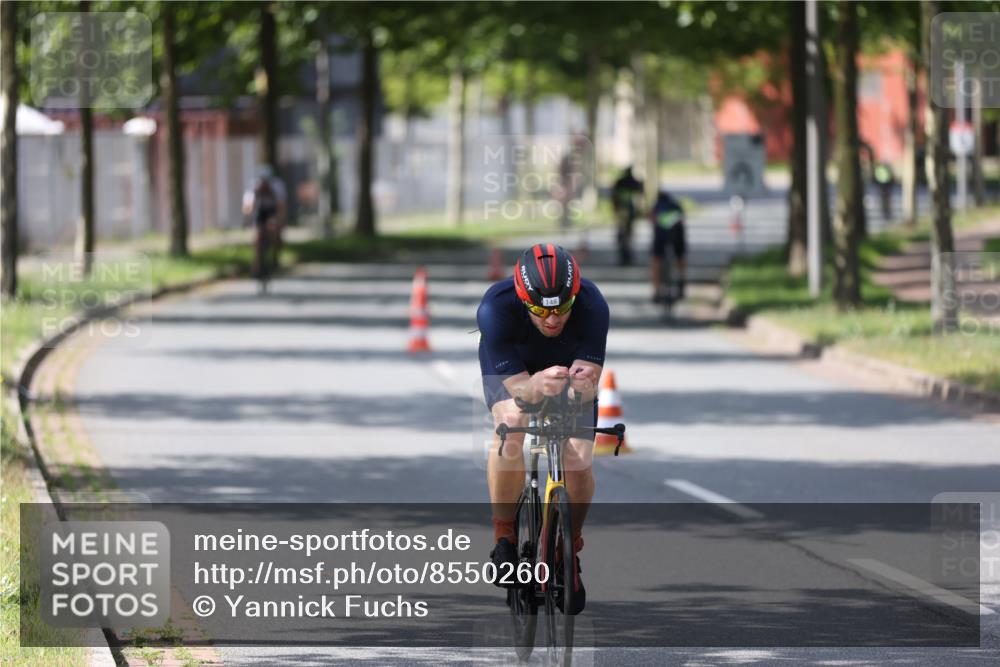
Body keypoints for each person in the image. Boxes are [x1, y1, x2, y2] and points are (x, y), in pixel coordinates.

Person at [477, 244, 609, 615]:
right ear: (523, 299)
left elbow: (591, 379)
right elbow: (520, 392)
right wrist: (534, 386)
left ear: (574, 297)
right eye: (540, 309)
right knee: (512, 423)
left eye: (561, 308)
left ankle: (568, 547)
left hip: (569, 370)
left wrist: (582, 386)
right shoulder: (496, 308)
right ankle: (504, 535)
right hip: (516, 368)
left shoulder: (593, 305)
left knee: (579, 461)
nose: (552, 319)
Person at [242, 165, 287, 277]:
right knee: (258, 236)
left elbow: (281, 205)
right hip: (260, 211)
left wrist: (279, 220)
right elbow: (248, 206)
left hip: (272, 210)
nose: (264, 184)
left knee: (275, 230)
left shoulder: (277, 185)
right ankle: (256, 263)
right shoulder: (253, 186)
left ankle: (275, 256)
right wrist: (246, 219)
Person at [650, 190, 687, 303]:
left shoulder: (657, 206)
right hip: (677, 233)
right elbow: (682, 219)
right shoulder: (676, 205)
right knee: (680, 256)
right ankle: (681, 282)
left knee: (656, 259)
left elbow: (651, 219)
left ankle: (656, 291)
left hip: (661, 235)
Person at [611, 166, 644, 265]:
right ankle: (626, 255)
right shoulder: (635, 183)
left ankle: (624, 255)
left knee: (623, 235)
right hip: (630, 212)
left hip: (622, 212)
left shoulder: (619, 182)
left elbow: (614, 197)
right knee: (628, 235)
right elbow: (640, 197)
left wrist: (615, 209)